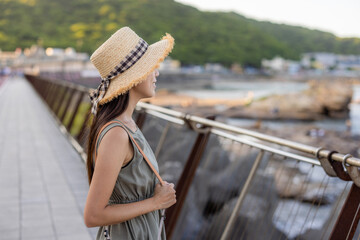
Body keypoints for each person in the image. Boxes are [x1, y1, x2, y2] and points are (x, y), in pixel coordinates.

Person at [84, 26, 176, 240]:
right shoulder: (117, 133)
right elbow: (93, 215)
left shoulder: (126, 124)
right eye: (152, 66)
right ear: (136, 75)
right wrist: (155, 203)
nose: (157, 72)